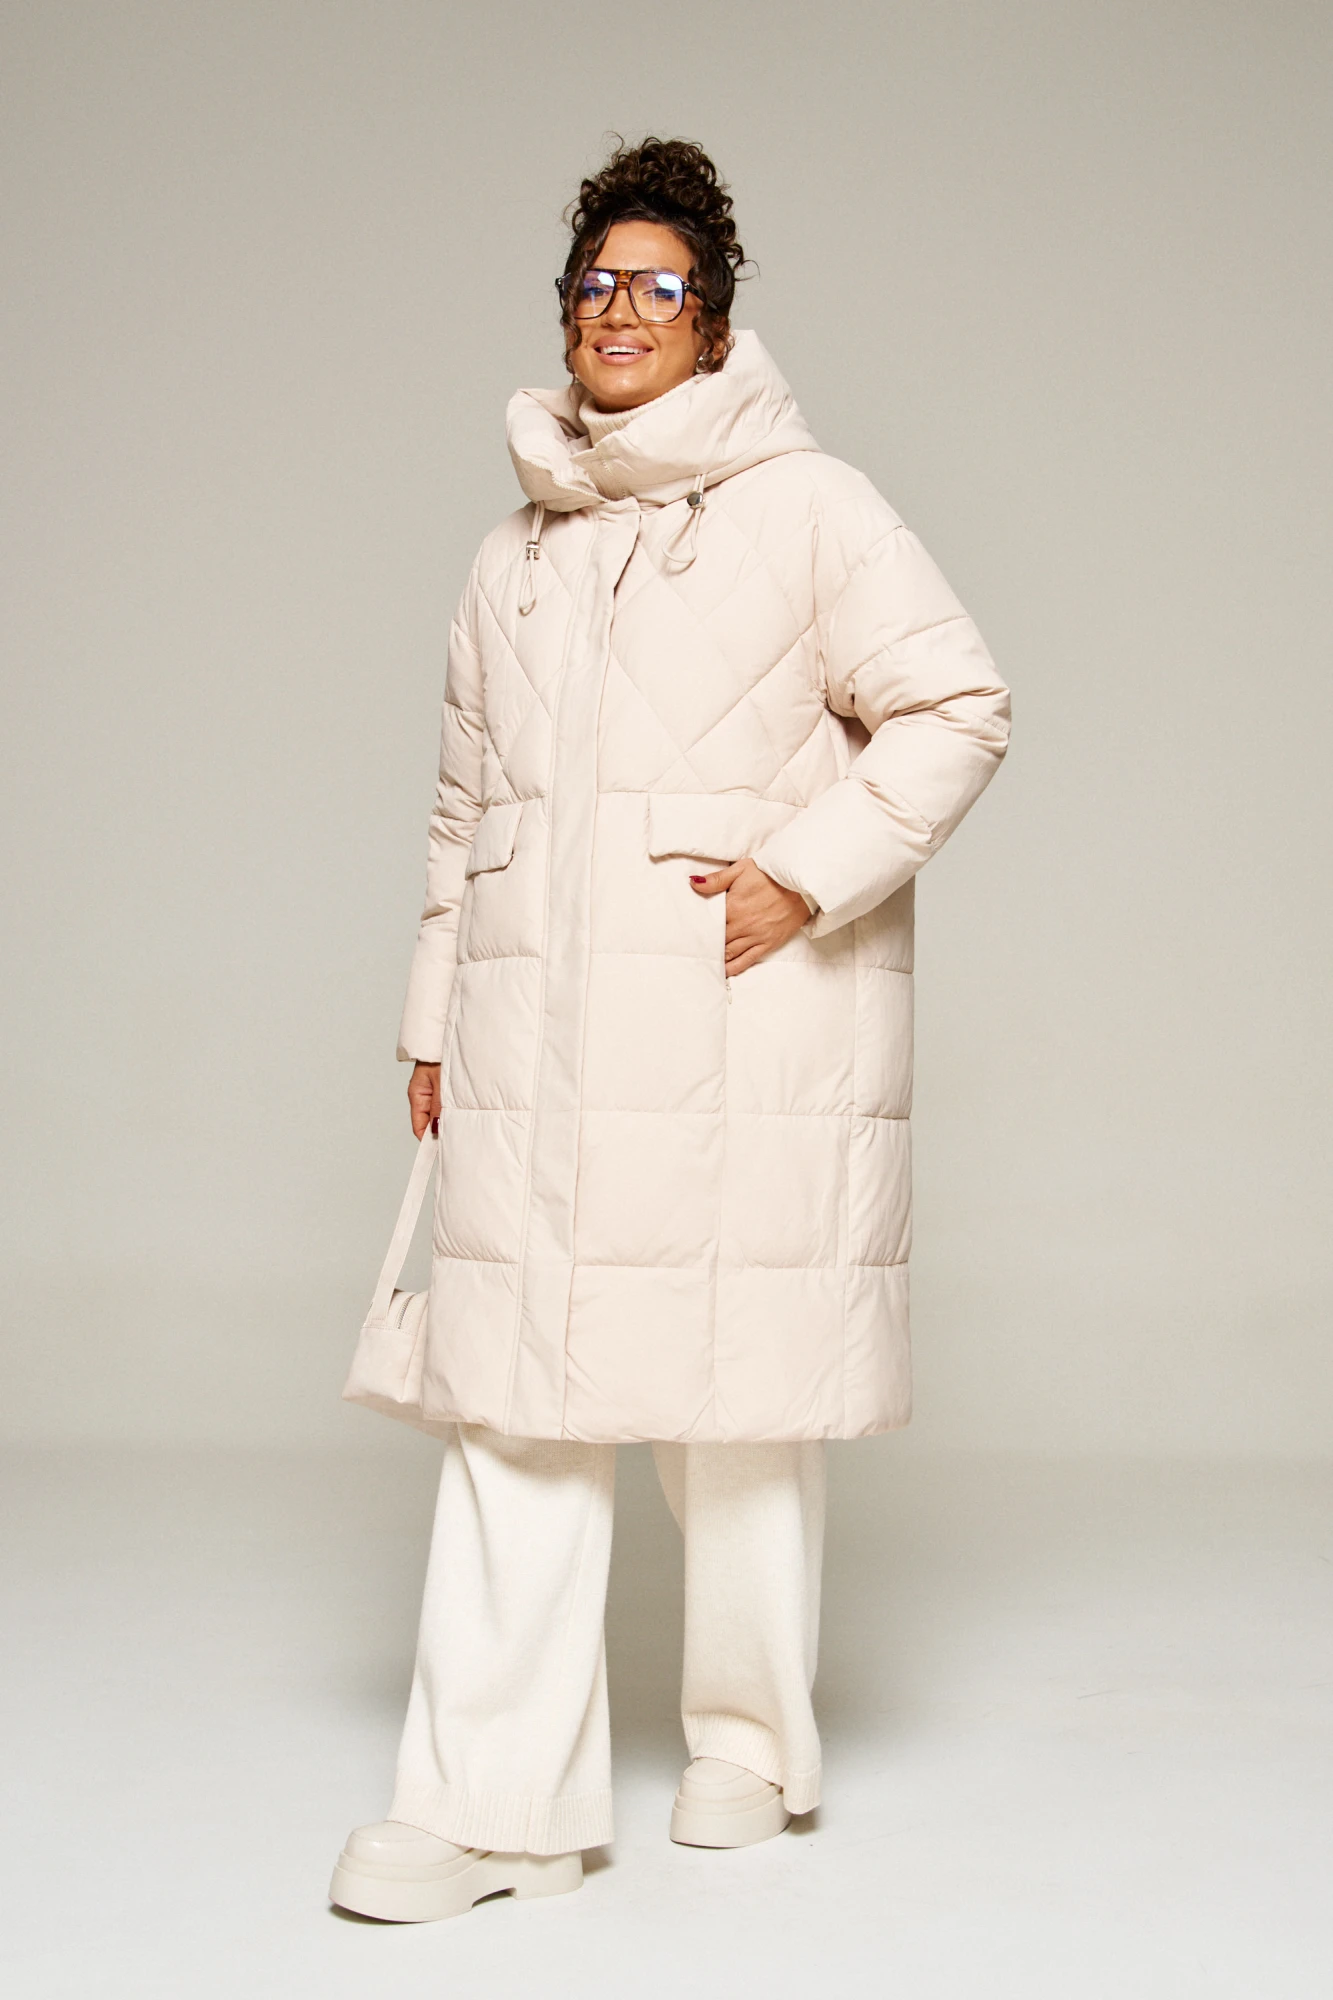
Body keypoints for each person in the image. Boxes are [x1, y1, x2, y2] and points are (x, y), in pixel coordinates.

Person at [329, 135, 1009, 1924]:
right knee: (517, 1398)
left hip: (735, 1036)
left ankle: (750, 1745)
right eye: (595, 284)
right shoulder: (512, 555)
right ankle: (493, 1809)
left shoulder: (811, 509)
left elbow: (956, 702)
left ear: (713, 322)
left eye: (659, 286)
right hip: (534, 1040)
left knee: (735, 1395)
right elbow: (463, 811)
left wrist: (805, 874)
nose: (619, 311)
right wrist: (434, 1022)